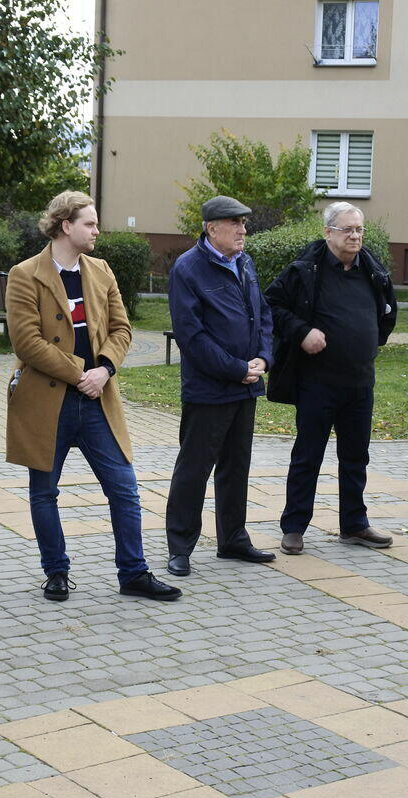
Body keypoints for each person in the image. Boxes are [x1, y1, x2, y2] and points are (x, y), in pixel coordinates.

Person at [6, 191, 181, 602]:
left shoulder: (101, 271)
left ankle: (133, 573)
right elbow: (26, 342)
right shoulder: (25, 274)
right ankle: (56, 572)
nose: (97, 231)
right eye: (90, 223)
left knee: (124, 488)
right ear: (65, 225)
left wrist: (104, 370)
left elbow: (122, 329)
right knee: (44, 492)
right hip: (47, 401)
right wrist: (79, 373)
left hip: (97, 398)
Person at [265, 202, 397, 554]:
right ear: (328, 232)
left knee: (356, 457)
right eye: (347, 229)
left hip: (359, 381)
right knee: (308, 456)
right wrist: (302, 332)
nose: (355, 236)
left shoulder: (371, 269)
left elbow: (387, 310)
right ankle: (294, 527)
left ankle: (354, 525)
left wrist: (371, 341)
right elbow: (272, 305)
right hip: (318, 382)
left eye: (359, 229)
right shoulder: (306, 269)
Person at [165, 196, 274, 577]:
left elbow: (263, 314)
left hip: (246, 385)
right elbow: (191, 335)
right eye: (235, 223)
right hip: (209, 389)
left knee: (236, 467)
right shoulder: (188, 268)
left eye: (244, 223)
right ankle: (180, 547)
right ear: (212, 228)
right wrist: (235, 369)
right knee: (193, 470)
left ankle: (233, 539)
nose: (243, 230)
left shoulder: (244, 262)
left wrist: (263, 358)